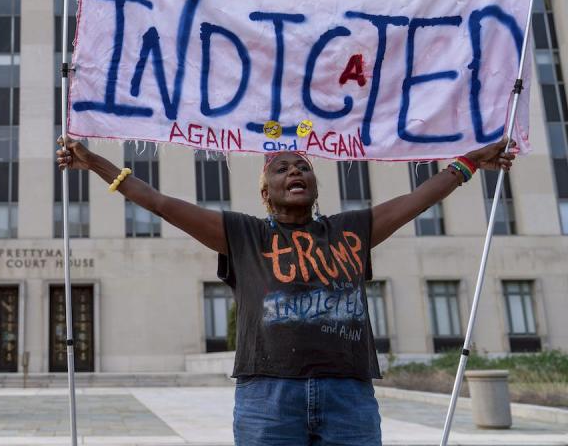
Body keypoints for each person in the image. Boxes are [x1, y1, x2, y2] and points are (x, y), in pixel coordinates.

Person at [56, 135, 516, 446]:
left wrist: (471, 160)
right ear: (265, 191)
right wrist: (94, 161)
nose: (295, 172)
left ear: (315, 186)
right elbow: (158, 201)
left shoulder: (353, 229)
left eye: (303, 168)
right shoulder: (242, 235)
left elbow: (423, 196)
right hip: (268, 398)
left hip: (348, 397)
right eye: (281, 168)